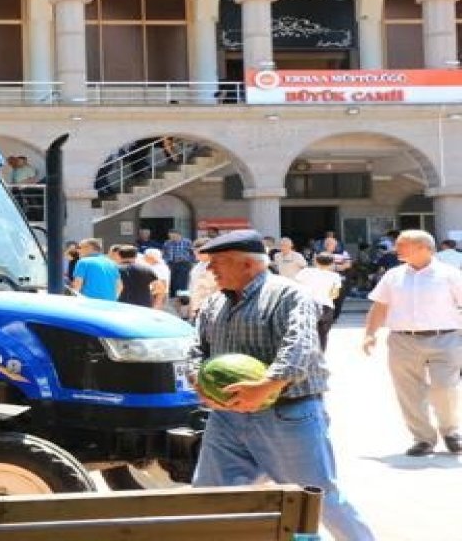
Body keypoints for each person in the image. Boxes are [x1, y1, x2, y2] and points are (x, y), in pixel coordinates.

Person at [189, 230, 375, 541]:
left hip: (287, 415)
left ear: (248, 265)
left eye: (218, 263)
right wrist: (198, 380)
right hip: (227, 417)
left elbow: (300, 344)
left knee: (316, 499)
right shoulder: (213, 305)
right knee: (212, 496)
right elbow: (196, 347)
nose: (210, 270)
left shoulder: (288, 294)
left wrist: (267, 384)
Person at [361, 229, 462, 456]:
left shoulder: (450, 275)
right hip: (403, 340)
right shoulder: (393, 275)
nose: (397, 249)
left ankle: (451, 432)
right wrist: (370, 333)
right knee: (408, 392)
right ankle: (423, 438)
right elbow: (380, 306)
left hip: (445, 339)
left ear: (423, 248)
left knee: (445, 388)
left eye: (402, 245)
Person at [295, 253, 343, 350]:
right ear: (331, 263)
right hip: (326, 306)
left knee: (305, 333)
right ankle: (320, 356)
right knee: (322, 334)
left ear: (316, 261)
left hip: (307, 305)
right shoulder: (335, 276)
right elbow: (335, 294)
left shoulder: (305, 272)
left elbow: (296, 286)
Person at [161, 230, 195, 297]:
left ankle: (183, 299)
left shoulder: (187, 242)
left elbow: (193, 254)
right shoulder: (167, 243)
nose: (172, 238)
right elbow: (164, 254)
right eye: (170, 237)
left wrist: (185, 258)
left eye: (173, 236)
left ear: (179, 235)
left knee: (182, 283)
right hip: (171, 264)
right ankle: (173, 298)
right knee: (172, 282)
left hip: (184, 264)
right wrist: (166, 261)